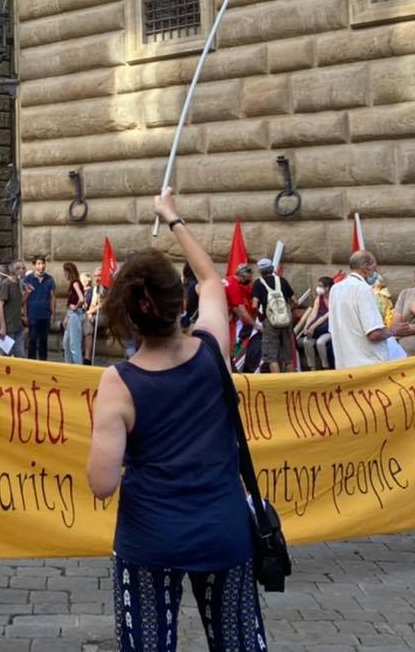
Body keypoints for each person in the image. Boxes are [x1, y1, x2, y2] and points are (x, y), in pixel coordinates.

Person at [87, 189, 267, 651]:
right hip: (224, 531)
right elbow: (211, 281)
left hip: (150, 538)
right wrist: (172, 217)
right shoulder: (212, 350)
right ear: (177, 301)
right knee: (239, 643)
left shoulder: (118, 383)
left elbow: (102, 483)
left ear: (125, 317)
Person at [328, 251, 400, 369]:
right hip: (368, 365)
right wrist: (393, 330)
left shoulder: (335, 289)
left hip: (344, 365)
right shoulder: (363, 289)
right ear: (366, 268)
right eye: (374, 268)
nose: (376, 272)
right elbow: (373, 334)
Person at [257, 258, 297, 373]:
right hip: (285, 321)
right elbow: (295, 301)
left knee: (271, 357)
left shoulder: (259, 283)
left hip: (270, 322)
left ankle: (278, 385)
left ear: (260, 271)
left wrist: (261, 316)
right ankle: (292, 384)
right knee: (288, 356)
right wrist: (287, 313)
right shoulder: (282, 280)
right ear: (272, 269)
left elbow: (254, 305)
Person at [222, 263, 259, 370]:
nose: (250, 279)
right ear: (243, 276)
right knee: (229, 347)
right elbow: (242, 311)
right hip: (225, 319)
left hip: (218, 315)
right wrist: (255, 325)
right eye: (249, 276)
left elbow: (233, 306)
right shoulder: (235, 287)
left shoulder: (226, 280)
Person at [23, 255, 57, 360]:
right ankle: (31, 362)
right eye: (38, 264)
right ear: (34, 265)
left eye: (42, 263)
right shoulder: (28, 279)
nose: (41, 266)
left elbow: (53, 297)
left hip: (45, 315)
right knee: (32, 340)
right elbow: (24, 299)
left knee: (44, 340)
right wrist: (25, 315)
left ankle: (43, 362)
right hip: (33, 314)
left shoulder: (49, 279)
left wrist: (53, 314)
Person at [296, 277, 334, 370]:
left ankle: (326, 367)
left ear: (327, 288)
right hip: (318, 327)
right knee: (306, 341)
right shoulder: (319, 298)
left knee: (320, 342)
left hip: (329, 329)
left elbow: (325, 317)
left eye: (320, 286)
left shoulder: (334, 298)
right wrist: (306, 326)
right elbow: (313, 314)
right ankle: (312, 368)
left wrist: (312, 327)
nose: (318, 288)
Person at [61, 262, 88, 364]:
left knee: (74, 345)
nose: (64, 273)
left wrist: (75, 308)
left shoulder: (75, 283)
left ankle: (78, 368)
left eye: (64, 271)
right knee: (66, 344)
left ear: (69, 272)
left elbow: (81, 299)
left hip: (75, 315)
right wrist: (66, 318)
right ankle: (68, 366)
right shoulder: (74, 283)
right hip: (71, 315)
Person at [0, 261, 26, 357]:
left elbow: (19, 302)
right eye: (18, 268)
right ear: (13, 271)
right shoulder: (6, 284)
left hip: (18, 327)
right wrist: (2, 327)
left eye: (23, 268)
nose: (22, 270)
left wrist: (27, 293)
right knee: (4, 357)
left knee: (21, 356)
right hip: (8, 328)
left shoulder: (19, 283)